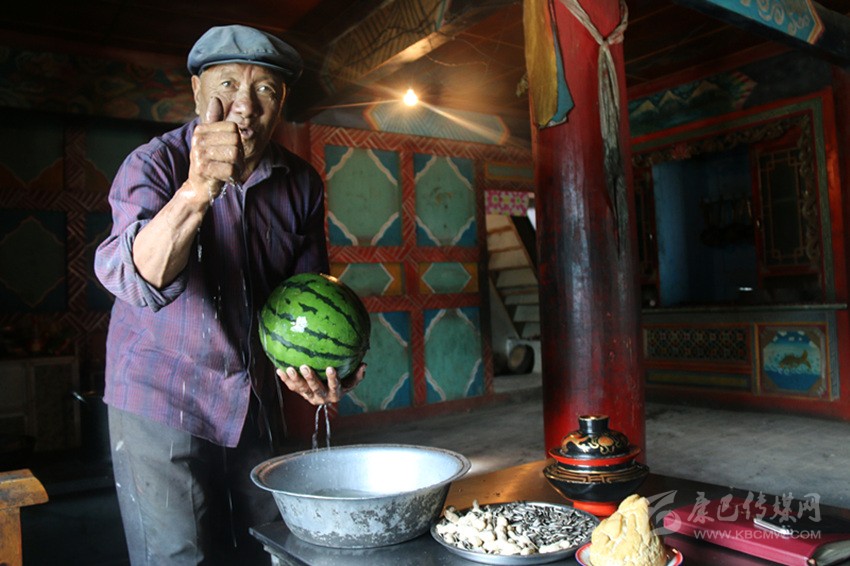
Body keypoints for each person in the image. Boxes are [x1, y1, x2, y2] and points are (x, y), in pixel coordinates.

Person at [94, 24, 366, 565]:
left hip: (251, 400)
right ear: (197, 91)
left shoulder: (301, 183)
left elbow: (303, 299)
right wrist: (197, 189)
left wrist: (324, 368)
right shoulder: (153, 164)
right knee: (180, 555)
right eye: (226, 85)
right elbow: (136, 279)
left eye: (265, 89)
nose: (244, 105)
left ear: (281, 103)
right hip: (161, 394)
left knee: (273, 544)